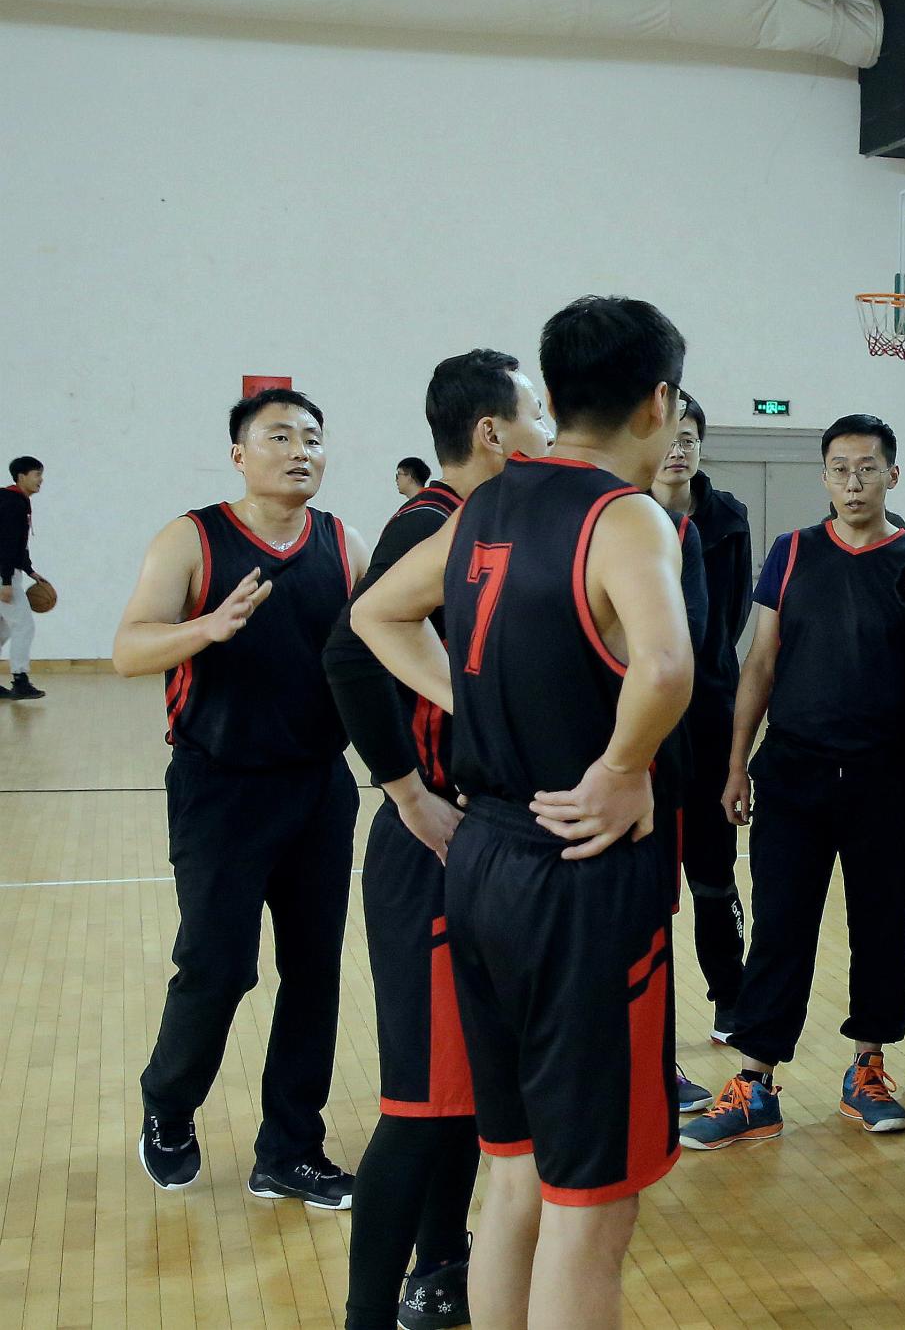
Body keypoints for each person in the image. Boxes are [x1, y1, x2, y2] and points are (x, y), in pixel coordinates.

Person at [353, 295, 696, 1330]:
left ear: (551, 393)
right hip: (578, 873)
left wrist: (473, 696)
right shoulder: (624, 515)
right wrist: (625, 764)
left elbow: (374, 612)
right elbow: (666, 666)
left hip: (482, 861)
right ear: (659, 401)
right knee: (591, 1207)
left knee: (512, 1176)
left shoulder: (480, 506)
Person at [323, 349, 553, 1330]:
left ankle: (443, 1265)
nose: (548, 428)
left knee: (466, 1096)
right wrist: (408, 792)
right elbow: (348, 650)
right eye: (535, 411)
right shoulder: (431, 526)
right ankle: (367, 1313)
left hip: (479, 845)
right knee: (420, 1108)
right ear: (493, 432)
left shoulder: (486, 526)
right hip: (429, 849)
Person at [115, 388, 369, 1208]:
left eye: (313, 438)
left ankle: (290, 1148)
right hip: (219, 787)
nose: (301, 451)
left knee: (313, 973)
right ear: (239, 454)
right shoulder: (191, 538)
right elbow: (128, 648)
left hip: (319, 786)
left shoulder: (343, 542)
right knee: (219, 966)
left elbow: (382, 644)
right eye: (280, 436)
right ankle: (168, 1102)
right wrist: (207, 627)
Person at [685, 413, 905, 1148]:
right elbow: (761, 661)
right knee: (780, 927)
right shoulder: (792, 551)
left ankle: (868, 1069)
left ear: (893, 475)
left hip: (881, 777)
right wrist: (737, 762)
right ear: (824, 476)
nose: (853, 482)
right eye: (840, 468)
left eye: (867, 468)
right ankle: (755, 1082)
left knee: (880, 928)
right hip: (792, 773)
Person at [649, 393, 753, 1052]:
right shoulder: (623, 516)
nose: (678, 449)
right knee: (648, 876)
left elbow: (731, 617)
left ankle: (730, 994)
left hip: (710, 712)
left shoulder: (727, 519)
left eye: (689, 437)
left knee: (715, 870)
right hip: (644, 717)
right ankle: (644, 1014)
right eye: (669, 437)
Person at [0, 456, 52, 700]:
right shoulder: (12, 503)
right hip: (3, 573)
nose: (41, 479)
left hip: (8, 571)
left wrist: (29, 570)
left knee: (3, 630)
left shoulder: (16, 501)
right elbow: (5, 544)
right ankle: (20, 681)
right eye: (37, 474)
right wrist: (6, 581)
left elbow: (18, 544)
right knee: (23, 625)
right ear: (21, 477)